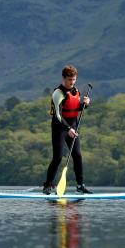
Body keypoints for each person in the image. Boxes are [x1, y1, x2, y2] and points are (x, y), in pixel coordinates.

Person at [43, 65, 92, 195]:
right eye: (70, 79)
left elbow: (75, 108)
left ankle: (80, 186)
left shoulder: (76, 92)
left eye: (74, 79)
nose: (72, 82)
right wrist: (68, 128)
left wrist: (85, 105)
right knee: (58, 157)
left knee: (77, 155)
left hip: (72, 126)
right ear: (63, 78)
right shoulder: (58, 93)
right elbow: (57, 115)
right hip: (60, 127)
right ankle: (47, 186)